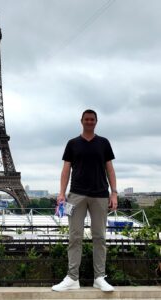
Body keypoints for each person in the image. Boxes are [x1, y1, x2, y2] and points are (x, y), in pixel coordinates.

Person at [52, 109, 117, 292]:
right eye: (87, 119)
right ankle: (72, 278)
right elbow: (66, 170)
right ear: (81, 121)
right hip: (76, 195)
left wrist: (114, 193)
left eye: (92, 119)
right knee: (74, 237)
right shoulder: (72, 144)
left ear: (96, 121)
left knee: (100, 237)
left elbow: (110, 170)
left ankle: (99, 277)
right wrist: (61, 194)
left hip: (100, 195)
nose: (89, 122)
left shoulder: (104, 143)